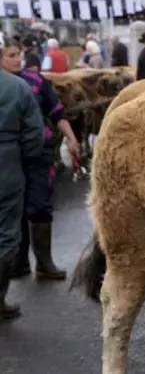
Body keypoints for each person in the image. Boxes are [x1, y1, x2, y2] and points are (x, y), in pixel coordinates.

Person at [2, 42, 80, 282]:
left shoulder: (36, 81)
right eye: (12, 55)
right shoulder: (10, 86)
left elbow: (56, 112)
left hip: (38, 153)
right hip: (12, 156)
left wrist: (72, 138)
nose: (18, 59)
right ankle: (18, 262)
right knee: (15, 209)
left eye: (20, 54)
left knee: (39, 205)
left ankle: (45, 263)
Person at [0, 43, 46, 319]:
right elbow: (34, 134)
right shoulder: (17, 87)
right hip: (7, 162)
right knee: (6, 231)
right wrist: (22, 158)